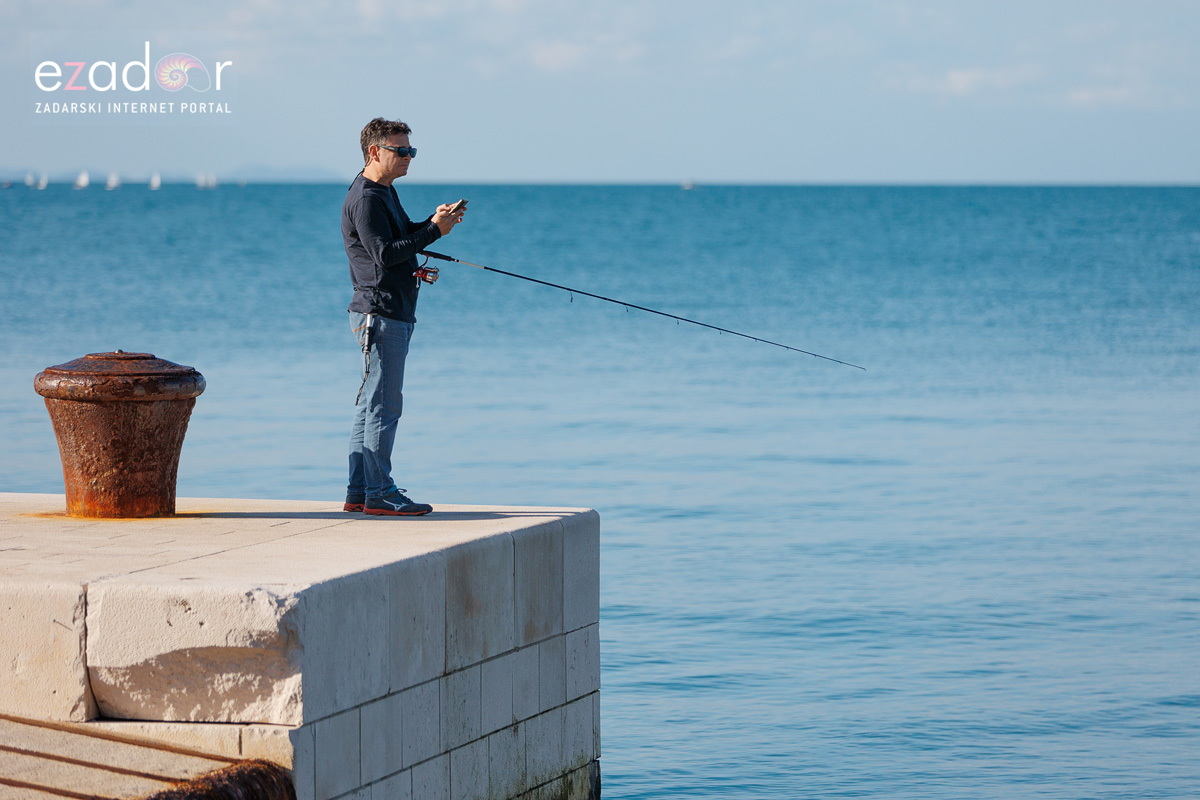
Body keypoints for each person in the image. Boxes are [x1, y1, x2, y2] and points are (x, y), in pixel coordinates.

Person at [341, 117, 464, 516]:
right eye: (402, 150)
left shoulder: (383, 191)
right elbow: (385, 254)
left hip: (390, 311)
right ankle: (379, 493)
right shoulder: (366, 197)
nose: (409, 157)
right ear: (375, 152)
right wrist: (434, 232)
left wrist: (432, 222)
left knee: (371, 404)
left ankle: (361, 491)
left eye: (412, 150)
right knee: (383, 406)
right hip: (380, 313)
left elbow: (398, 236)